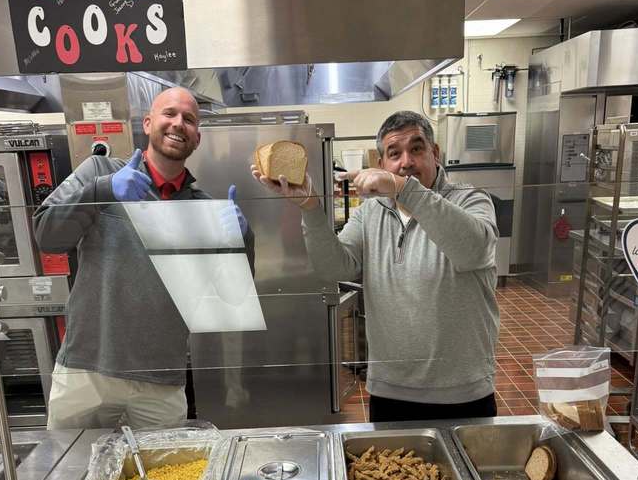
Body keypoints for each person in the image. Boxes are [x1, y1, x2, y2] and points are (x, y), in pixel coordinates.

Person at [251, 110, 498, 422]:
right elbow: (336, 269)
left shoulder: (471, 200)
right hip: (390, 392)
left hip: (462, 392)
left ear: (435, 154)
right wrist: (311, 207)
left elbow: (473, 249)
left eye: (417, 149)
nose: (406, 161)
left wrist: (403, 188)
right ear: (383, 164)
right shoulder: (371, 213)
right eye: (394, 154)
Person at [34, 86, 254, 430]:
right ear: (148, 124)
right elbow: (47, 235)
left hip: (161, 381)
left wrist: (241, 240)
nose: (178, 123)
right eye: (169, 114)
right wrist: (102, 190)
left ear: (197, 138)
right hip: (88, 371)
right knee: (73, 475)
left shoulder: (203, 207)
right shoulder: (98, 171)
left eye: (190, 119)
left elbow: (232, 298)